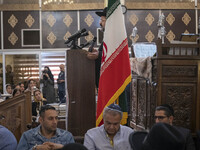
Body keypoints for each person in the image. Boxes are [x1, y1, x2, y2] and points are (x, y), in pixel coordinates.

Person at [87, 7, 107, 88]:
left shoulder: (115, 36)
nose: (100, 23)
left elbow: (115, 56)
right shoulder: (107, 36)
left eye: (102, 20)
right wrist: (97, 52)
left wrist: (98, 54)